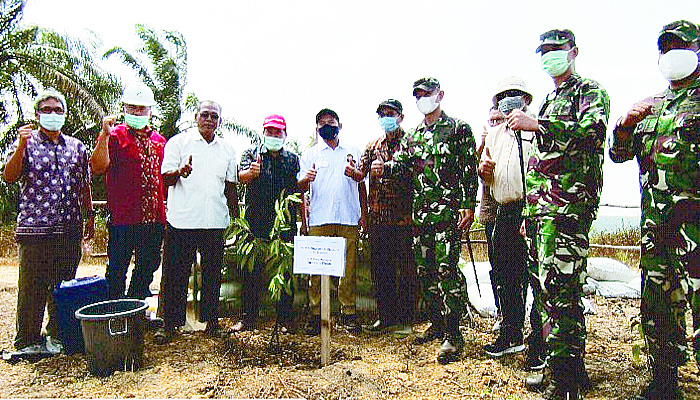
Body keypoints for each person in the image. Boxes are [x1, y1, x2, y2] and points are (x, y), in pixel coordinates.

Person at [507, 29, 610, 398]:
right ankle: (568, 369)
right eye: (544, 52)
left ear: (573, 52)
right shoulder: (551, 98)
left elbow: (593, 134)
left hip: (568, 213)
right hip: (542, 215)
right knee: (548, 295)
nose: (550, 56)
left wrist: (539, 124)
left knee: (562, 295)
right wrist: (529, 214)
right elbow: (542, 166)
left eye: (556, 50)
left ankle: (565, 383)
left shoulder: (589, 91)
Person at [610, 20, 700, 400]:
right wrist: (625, 125)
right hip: (656, 229)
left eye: (681, 45)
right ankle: (665, 383)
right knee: (658, 306)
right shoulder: (650, 107)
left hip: (695, 230)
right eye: (666, 48)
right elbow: (618, 155)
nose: (672, 53)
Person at [388, 77, 477, 364]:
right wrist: (378, 167)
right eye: (417, 95)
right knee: (425, 273)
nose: (422, 98)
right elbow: (399, 166)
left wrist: (467, 205)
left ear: (440, 95)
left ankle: (454, 334)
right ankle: (437, 323)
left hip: (447, 215)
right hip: (421, 217)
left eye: (427, 93)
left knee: (446, 272)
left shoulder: (458, 129)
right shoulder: (412, 135)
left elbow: (469, 170)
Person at [2, 89, 94, 352]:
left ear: (64, 115)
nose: (52, 115)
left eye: (58, 110)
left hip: (68, 228)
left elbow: (84, 184)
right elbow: (9, 176)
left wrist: (89, 215)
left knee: (63, 287)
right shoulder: (26, 143)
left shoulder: (77, 147)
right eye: (47, 110)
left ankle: (58, 336)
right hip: (34, 230)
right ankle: (28, 341)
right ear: (38, 114)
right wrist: (20, 146)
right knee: (32, 288)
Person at [156, 100, 239, 343]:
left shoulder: (226, 149)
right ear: (196, 117)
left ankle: (212, 322)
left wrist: (235, 218)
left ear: (219, 121)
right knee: (176, 275)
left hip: (214, 221)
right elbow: (166, 180)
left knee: (212, 275)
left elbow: (230, 187)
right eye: (205, 115)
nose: (209, 120)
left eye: (215, 116)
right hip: (182, 221)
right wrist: (180, 171)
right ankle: (170, 324)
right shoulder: (179, 143)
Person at [90, 82, 166, 300]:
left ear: (150, 111)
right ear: (124, 108)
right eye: (132, 107)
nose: (137, 112)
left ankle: (134, 311)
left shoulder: (159, 141)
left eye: (142, 108)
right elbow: (97, 167)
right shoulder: (114, 136)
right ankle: (114, 314)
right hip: (123, 219)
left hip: (153, 219)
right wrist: (103, 135)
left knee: (148, 267)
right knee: (116, 269)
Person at [479, 76, 534, 358]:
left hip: (531, 210)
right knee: (505, 274)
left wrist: (530, 212)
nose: (509, 100)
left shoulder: (535, 129)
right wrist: (484, 172)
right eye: (503, 95)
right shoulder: (495, 135)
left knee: (534, 276)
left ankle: (540, 339)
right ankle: (511, 333)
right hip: (504, 210)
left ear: (526, 100)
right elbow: (488, 175)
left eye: (515, 94)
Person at [297, 108, 366, 335]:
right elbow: (301, 189)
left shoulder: (353, 151)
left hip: (348, 217)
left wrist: (363, 214)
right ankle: (316, 314)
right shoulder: (310, 154)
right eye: (323, 123)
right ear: (316, 129)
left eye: (332, 122)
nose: (328, 126)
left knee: (348, 268)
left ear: (340, 125)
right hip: (320, 218)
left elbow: (362, 183)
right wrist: (304, 220)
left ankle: (348, 313)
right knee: (316, 270)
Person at [235, 114, 299, 332]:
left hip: (284, 224)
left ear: (285, 135)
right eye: (269, 132)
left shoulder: (292, 159)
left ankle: (285, 319)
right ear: (263, 133)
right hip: (255, 223)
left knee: (285, 270)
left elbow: (298, 190)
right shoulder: (251, 154)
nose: (273, 136)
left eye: (277, 132)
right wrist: (250, 173)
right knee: (251, 272)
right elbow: (240, 177)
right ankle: (248, 317)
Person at [358, 99, 416, 334]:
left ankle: (405, 320)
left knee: (405, 270)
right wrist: (354, 171)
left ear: (400, 117)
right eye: (381, 114)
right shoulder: (372, 146)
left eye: (390, 113)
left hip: (404, 219)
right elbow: (359, 172)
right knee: (381, 270)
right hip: (378, 219)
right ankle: (385, 317)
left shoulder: (413, 143)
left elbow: (417, 170)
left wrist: (390, 168)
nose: (386, 118)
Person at [479, 107, 503, 331]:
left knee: (515, 267)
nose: (495, 123)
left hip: (512, 211)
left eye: (499, 119)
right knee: (495, 265)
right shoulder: (486, 143)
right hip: (490, 211)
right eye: (491, 119)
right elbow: (473, 165)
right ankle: (500, 311)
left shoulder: (512, 140)